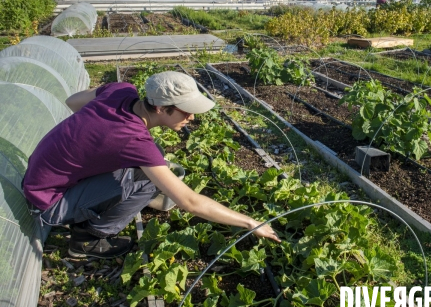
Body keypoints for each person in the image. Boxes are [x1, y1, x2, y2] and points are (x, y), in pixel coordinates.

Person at [22, 71, 280, 259]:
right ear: (159, 108)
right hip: (48, 202)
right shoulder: (132, 139)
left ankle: (89, 213)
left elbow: (73, 102)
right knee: (147, 178)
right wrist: (249, 223)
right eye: (185, 110)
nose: (191, 117)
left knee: (153, 158)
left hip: (41, 181)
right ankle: (87, 239)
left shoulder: (121, 91)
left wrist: (93, 134)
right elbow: (189, 202)